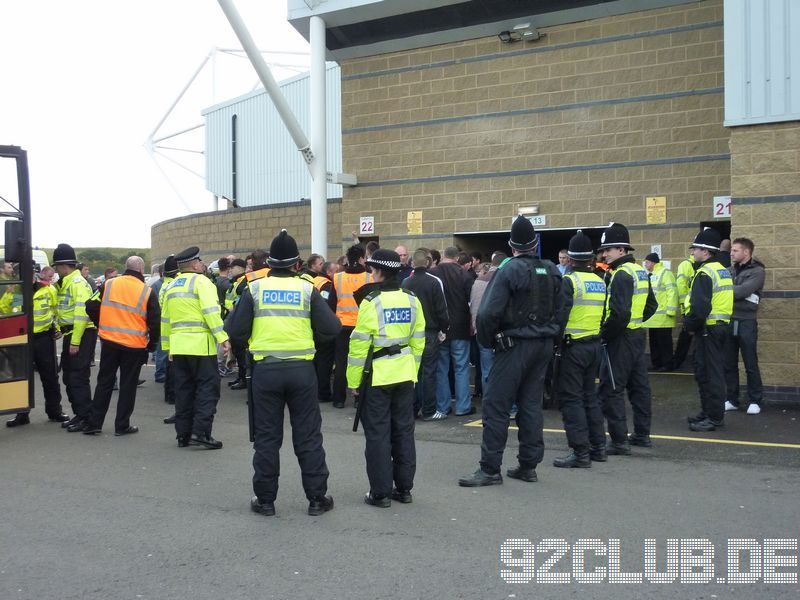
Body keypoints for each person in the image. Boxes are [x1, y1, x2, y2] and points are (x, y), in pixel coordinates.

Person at [226, 229, 340, 517]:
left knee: (266, 438)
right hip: (302, 370)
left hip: (266, 370)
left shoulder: (255, 289)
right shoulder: (306, 289)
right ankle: (317, 498)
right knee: (308, 436)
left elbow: (235, 331)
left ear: (270, 264)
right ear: (296, 264)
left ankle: (265, 500)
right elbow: (332, 329)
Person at [458, 216, 560, 487]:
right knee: (530, 405)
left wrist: (489, 342)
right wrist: (551, 333)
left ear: (512, 245)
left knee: (496, 406)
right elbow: (563, 308)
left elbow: (488, 313)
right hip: (543, 345)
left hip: (513, 345)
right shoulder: (551, 270)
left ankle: (490, 469)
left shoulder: (508, 271)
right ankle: (528, 465)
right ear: (535, 242)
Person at [346, 249, 425, 507]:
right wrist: (411, 370)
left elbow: (358, 347)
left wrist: (354, 383)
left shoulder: (372, 302)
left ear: (378, 271)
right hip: (404, 374)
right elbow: (418, 342)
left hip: (378, 376)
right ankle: (404, 489)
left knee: (378, 435)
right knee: (403, 431)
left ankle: (380, 493)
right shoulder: (412, 300)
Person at [596, 223, 657, 454]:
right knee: (639, 387)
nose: (604, 254)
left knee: (612, 389)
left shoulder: (620, 274)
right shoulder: (639, 271)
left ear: (622, 249)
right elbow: (652, 305)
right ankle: (641, 435)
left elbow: (619, 314)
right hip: (637, 335)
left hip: (620, 339)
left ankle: (619, 441)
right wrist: (637, 321)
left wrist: (604, 335)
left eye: (608, 249)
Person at [81, 256, 160, 435]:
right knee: (127, 386)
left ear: (126, 268)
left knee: (104, 383)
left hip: (109, 341)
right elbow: (155, 322)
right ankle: (122, 425)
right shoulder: (146, 291)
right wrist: (152, 344)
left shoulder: (109, 284)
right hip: (134, 346)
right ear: (141, 269)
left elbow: (90, 304)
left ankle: (95, 423)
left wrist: (102, 323)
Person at [161, 247, 230, 448]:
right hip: (201, 347)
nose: (202, 264)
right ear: (194, 264)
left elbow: (165, 320)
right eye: (200, 261)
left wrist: (168, 347)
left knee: (184, 391)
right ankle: (201, 433)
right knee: (207, 390)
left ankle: (183, 435)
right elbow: (211, 312)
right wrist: (223, 338)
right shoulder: (203, 282)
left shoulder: (172, 285)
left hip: (179, 348)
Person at [552, 231, 607, 467]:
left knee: (572, 400)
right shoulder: (600, 281)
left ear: (571, 259)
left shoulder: (570, 281)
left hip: (573, 347)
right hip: (594, 344)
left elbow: (560, 318)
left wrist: (553, 344)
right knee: (590, 398)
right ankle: (598, 447)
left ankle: (580, 452)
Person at [685, 229, 734, 432]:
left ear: (706, 252)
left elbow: (700, 308)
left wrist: (689, 326)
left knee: (709, 374)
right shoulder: (722, 269)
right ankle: (708, 413)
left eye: (696, 248)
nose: (693, 252)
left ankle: (713, 417)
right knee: (707, 371)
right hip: (719, 328)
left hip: (709, 330)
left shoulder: (705, 273)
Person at [6, 270, 69, 427]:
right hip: (22, 338)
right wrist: (9, 292)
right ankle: (22, 413)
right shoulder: (17, 292)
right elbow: (6, 309)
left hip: (43, 338)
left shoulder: (48, 290)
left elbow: (57, 311)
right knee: (21, 377)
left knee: (50, 376)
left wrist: (59, 329)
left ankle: (55, 411)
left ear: (34, 276)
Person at [53, 244, 99, 432]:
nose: (55, 270)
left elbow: (82, 314)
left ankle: (86, 417)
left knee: (78, 377)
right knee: (70, 378)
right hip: (71, 333)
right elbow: (63, 309)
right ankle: (80, 414)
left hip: (81, 334)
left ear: (64, 266)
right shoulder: (67, 282)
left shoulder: (77, 283)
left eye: (56, 266)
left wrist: (74, 342)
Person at [402, 248, 449, 420]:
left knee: (413, 372)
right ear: (428, 263)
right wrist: (444, 329)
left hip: (411, 332)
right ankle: (429, 410)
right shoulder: (434, 282)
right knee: (429, 372)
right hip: (430, 332)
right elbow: (441, 310)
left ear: (413, 263)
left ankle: (413, 409)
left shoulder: (406, 283)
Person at [430, 247, 474, 418]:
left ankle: (443, 406)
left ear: (443, 256)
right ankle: (463, 406)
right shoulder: (464, 274)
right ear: (456, 258)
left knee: (441, 368)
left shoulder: (433, 273)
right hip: (461, 327)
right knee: (461, 368)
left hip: (441, 327)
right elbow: (470, 301)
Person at [724, 238, 765, 416]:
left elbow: (742, 291)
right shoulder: (730, 270)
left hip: (747, 321)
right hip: (729, 320)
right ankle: (732, 400)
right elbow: (733, 290)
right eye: (731, 250)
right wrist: (731, 289)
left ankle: (755, 400)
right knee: (729, 363)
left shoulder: (757, 271)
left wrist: (726, 289)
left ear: (746, 252)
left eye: (735, 250)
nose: (731, 253)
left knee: (750, 363)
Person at [331, 244, 372, 408]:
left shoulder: (337, 277)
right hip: (362, 327)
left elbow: (332, 304)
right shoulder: (370, 278)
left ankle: (339, 399)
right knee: (361, 362)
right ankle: (358, 398)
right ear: (362, 258)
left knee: (341, 363)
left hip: (342, 326)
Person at [469, 251, 505, 405]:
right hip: (503, 334)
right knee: (504, 370)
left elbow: (474, 309)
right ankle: (507, 405)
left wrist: (476, 328)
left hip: (483, 333)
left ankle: (488, 402)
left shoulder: (478, 281)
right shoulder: (505, 279)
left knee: (486, 370)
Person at [643, 253, 678, 371]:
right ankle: (656, 363)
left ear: (653, 262)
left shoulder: (665, 273)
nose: (645, 264)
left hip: (663, 316)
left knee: (664, 342)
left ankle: (667, 364)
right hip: (653, 317)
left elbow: (672, 291)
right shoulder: (651, 274)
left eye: (647, 262)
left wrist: (671, 311)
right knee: (654, 342)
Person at [159, 256, 179, 422]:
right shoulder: (172, 286)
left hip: (168, 331)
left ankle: (169, 393)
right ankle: (172, 395)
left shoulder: (165, 286)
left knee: (169, 364)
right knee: (173, 367)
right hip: (176, 331)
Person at [670, 254, 697, 370]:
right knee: (685, 337)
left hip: (696, 306)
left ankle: (679, 361)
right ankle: (677, 362)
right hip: (689, 308)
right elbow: (681, 286)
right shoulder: (686, 265)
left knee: (690, 336)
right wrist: (685, 307)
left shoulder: (699, 266)